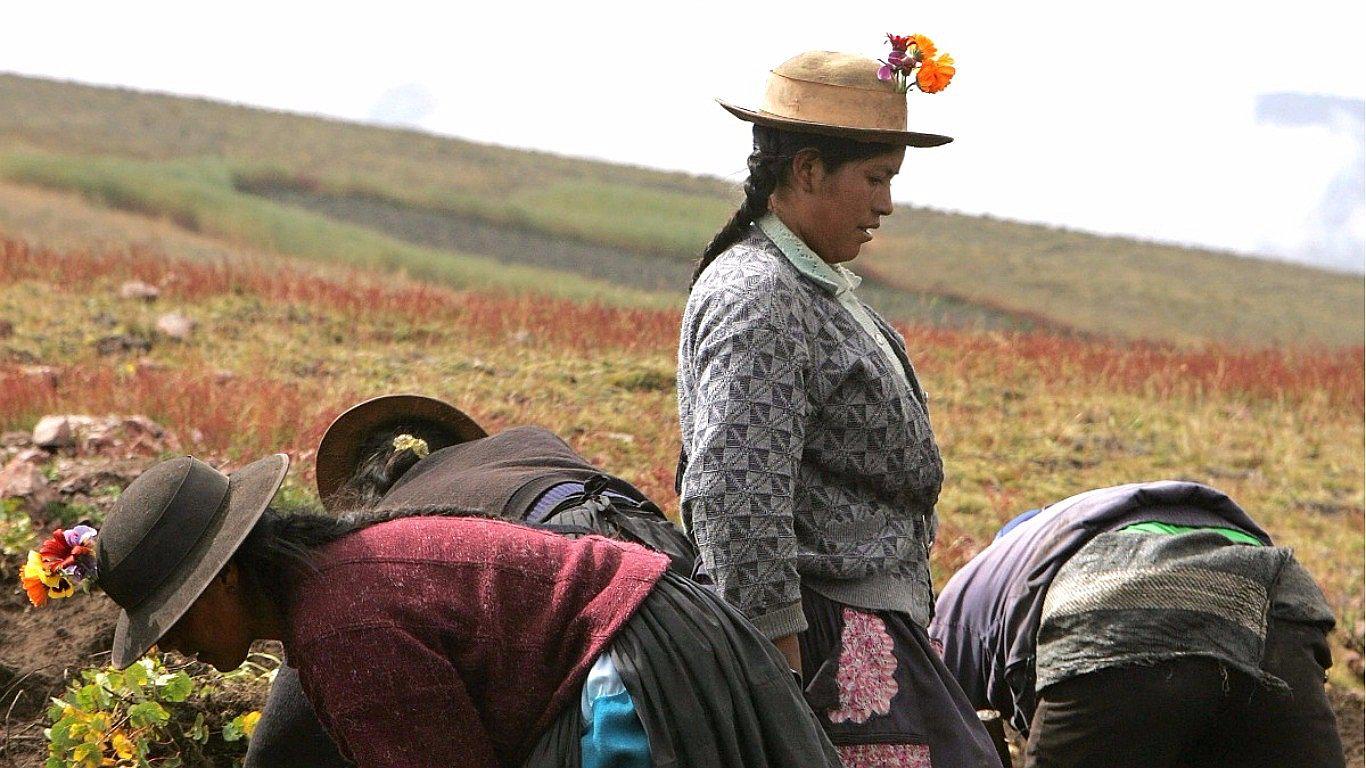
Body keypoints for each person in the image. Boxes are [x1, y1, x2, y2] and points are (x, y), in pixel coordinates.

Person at [29, 452, 840, 768]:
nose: (179, 654)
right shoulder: (337, 581)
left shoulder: (345, 629)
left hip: (636, 677)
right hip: (658, 633)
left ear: (228, 580)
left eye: (177, 624)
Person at [676, 45, 1000, 766]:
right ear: (807, 170)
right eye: (875, 178)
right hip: (822, 646)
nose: (886, 203)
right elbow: (737, 491)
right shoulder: (760, 297)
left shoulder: (810, 291)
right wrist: (777, 676)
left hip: (863, 635)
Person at [247, 394, 697, 767]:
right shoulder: (525, 442)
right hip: (666, 561)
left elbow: (288, 732)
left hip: (598, 616)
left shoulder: (391, 542)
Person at [929, 481, 1345, 768]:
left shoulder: (966, 595)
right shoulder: (1097, 518)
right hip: (1271, 601)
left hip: (1117, 609)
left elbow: (945, 731)